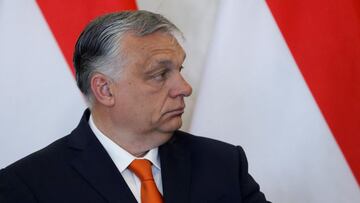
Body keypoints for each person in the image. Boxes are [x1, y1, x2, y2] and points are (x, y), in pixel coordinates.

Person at [0, 10, 270, 203]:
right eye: (160, 74)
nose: (184, 88)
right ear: (105, 89)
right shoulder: (26, 186)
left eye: (179, 70)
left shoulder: (222, 164)